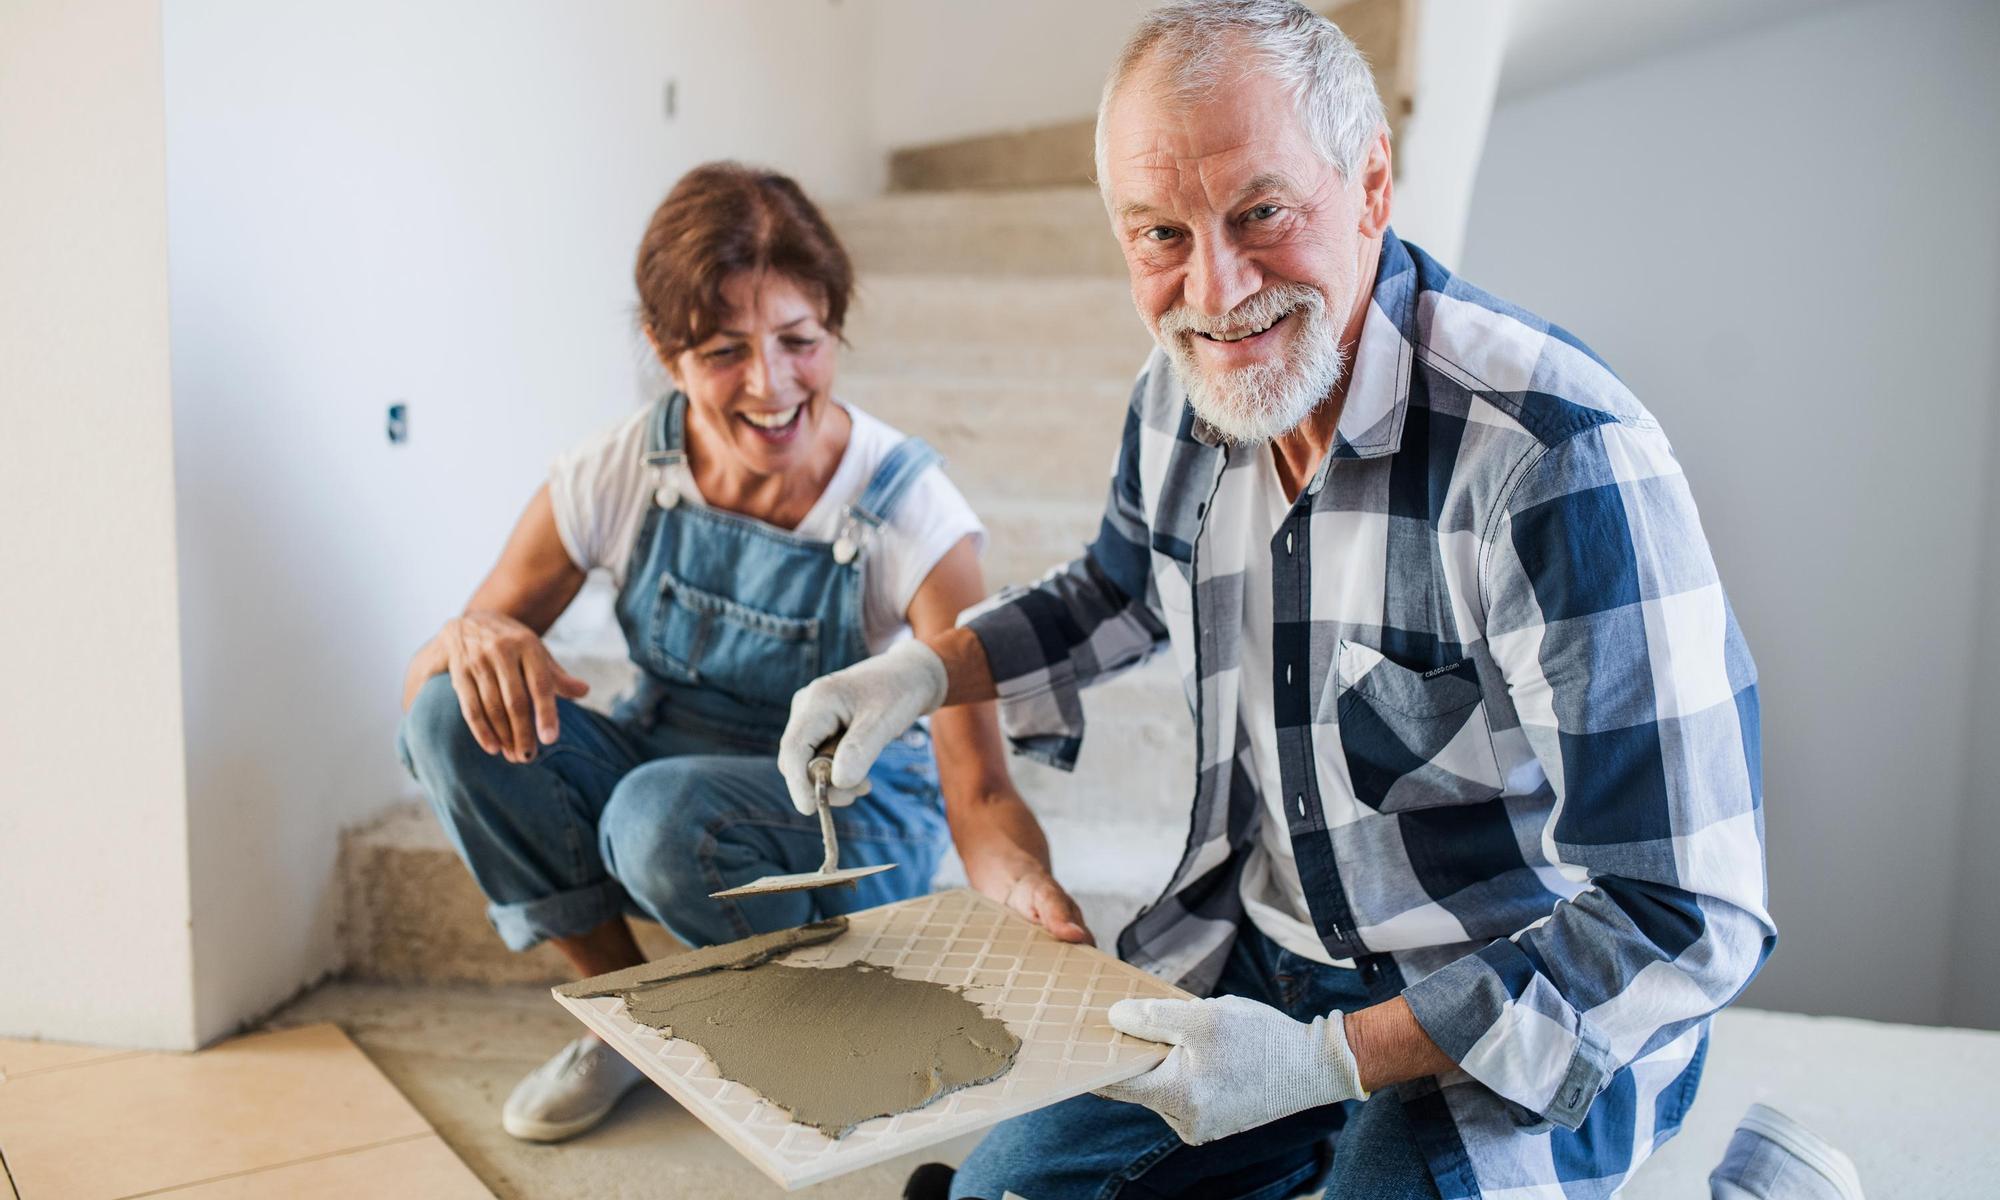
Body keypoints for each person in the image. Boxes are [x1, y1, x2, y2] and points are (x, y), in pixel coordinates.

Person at [780, 3, 1783, 1198]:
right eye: (1159, 233)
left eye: (1260, 212)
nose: (1214, 290)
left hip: (1515, 999)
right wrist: (922, 672)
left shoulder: (1556, 459)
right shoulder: (1177, 395)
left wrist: (1331, 1061)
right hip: (1265, 965)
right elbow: (1114, 588)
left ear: (1369, 185)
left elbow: (1683, 914)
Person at [397, 161, 1089, 1145]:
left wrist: (1024, 891)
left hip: (843, 815)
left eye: (799, 342)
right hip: (669, 760)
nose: (770, 385)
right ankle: (635, 1021)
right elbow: (429, 690)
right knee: (448, 713)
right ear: (663, 350)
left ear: (832, 330)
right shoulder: (622, 467)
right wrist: (465, 640)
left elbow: (976, 787)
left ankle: (816, 1029)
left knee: (655, 815)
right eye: (725, 351)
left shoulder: (908, 511)